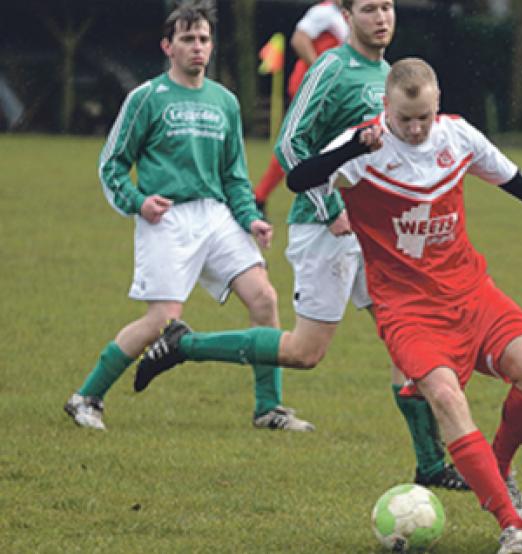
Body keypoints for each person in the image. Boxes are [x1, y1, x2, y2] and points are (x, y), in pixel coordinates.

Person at [138, 57, 522, 553]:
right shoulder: (365, 145)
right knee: (443, 395)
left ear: (438, 107)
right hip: (407, 308)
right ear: (386, 109)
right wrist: (349, 151)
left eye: (424, 118)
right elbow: (298, 177)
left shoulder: (457, 136)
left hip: (471, 292)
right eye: (405, 119)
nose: (415, 130)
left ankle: (499, 466)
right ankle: (511, 524)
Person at [132, 0, 466, 492]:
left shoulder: (392, 74)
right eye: (370, 8)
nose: (382, 17)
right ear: (346, 17)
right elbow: (290, 145)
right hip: (323, 227)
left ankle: (431, 466)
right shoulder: (332, 68)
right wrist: (329, 207)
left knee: (406, 340)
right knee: (306, 351)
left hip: (375, 236)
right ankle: (186, 344)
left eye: (388, 7)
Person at [63, 1, 312, 432]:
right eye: (187, 39)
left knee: (265, 299)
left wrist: (250, 217)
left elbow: (234, 175)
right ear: (168, 46)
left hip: (216, 216)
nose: (198, 47)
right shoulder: (146, 98)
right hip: (167, 219)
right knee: (160, 320)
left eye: (204, 39)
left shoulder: (225, 102)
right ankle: (86, 397)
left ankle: (268, 407)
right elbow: (112, 164)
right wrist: (139, 201)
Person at [253, 0, 349, 215]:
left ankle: (261, 197)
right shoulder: (324, 11)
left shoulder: (347, 15)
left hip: (330, 91)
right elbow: (299, 39)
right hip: (311, 88)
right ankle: (259, 197)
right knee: (298, 143)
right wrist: (320, 72)